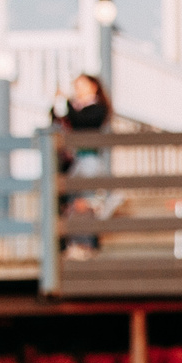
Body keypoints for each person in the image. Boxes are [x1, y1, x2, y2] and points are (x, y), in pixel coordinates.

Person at [54, 72, 115, 255]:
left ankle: (87, 243)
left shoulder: (96, 108)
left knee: (85, 203)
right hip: (76, 161)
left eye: (81, 85)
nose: (77, 89)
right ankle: (74, 243)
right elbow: (60, 121)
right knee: (71, 203)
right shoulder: (75, 107)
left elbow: (81, 121)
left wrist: (66, 105)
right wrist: (58, 106)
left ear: (93, 86)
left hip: (90, 160)